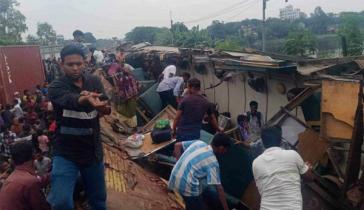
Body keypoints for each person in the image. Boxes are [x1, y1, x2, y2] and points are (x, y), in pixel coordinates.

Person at [47, 44, 110, 210]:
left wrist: (103, 108)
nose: (75, 68)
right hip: (66, 153)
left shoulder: (94, 81)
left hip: (92, 152)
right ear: (61, 64)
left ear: (85, 63)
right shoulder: (56, 87)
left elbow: (107, 106)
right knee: (61, 202)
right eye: (70, 64)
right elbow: (71, 100)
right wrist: (86, 100)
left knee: (99, 201)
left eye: (78, 63)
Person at [252, 126, 314, 210]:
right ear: (281, 142)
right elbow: (309, 178)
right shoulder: (292, 155)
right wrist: (307, 170)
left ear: (262, 144)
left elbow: (261, 187)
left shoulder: (256, 163)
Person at [169, 132, 231, 210]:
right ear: (221, 148)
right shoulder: (213, 162)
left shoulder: (198, 143)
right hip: (187, 187)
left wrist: (180, 164)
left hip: (174, 178)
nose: (225, 152)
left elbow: (177, 145)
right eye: (226, 150)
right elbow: (219, 189)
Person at [0, 140, 52, 210]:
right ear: (34, 156)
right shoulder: (30, 182)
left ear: (12, 160)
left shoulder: (10, 178)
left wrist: (52, 175)